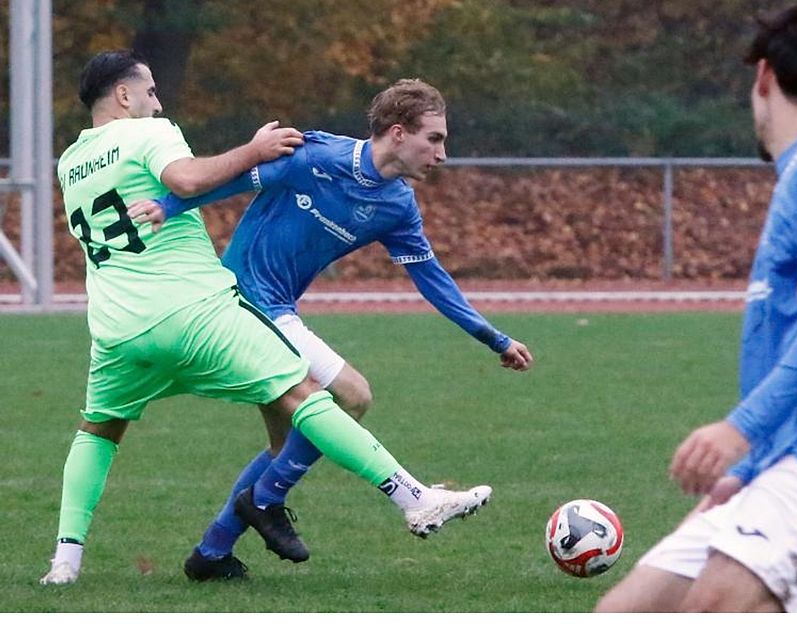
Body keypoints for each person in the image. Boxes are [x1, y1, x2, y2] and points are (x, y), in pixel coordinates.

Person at [40, 51, 492, 586]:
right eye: (152, 91)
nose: (156, 102)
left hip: (117, 328)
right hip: (195, 311)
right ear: (124, 95)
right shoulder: (149, 131)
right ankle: (414, 499)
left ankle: (65, 564)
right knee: (308, 396)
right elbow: (187, 180)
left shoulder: (70, 162)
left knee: (99, 431)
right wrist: (252, 150)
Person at [129, 78, 534, 580]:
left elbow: (434, 282)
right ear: (398, 133)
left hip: (278, 310)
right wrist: (168, 207)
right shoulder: (317, 156)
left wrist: (494, 338)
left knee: (286, 448)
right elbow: (240, 181)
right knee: (352, 396)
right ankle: (294, 500)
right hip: (243, 300)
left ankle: (210, 554)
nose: (443, 154)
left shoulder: (397, 206)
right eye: (435, 139)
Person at [595, 6, 797, 613]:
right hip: (790, 459)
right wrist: (750, 470)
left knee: (717, 606)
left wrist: (740, 429)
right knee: (629, 611)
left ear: (764, 76)